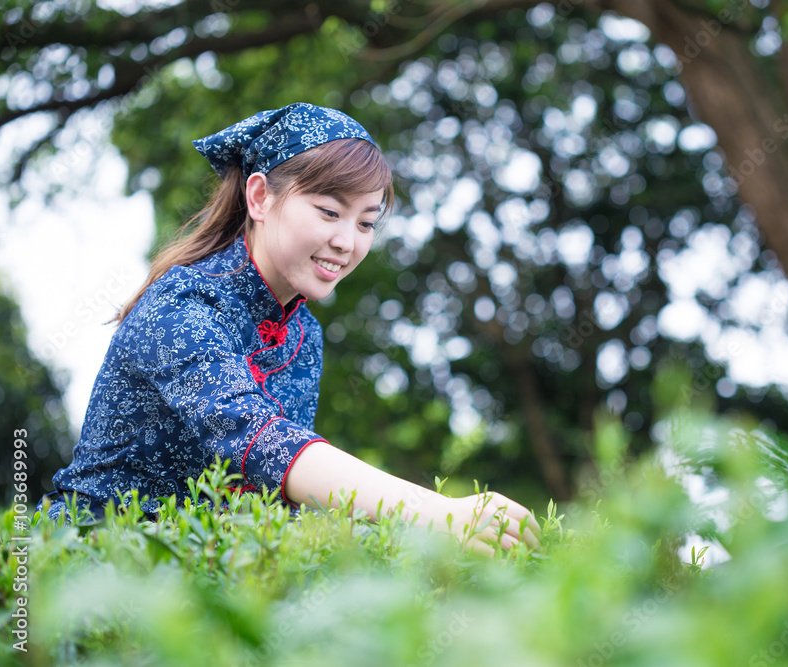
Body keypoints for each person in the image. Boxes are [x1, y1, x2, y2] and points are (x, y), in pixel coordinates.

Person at [36, 102, 540, 556]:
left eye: (366, 223)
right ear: (260, 197)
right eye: (329, 211)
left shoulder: (304, 338)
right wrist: (439, 514)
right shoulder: (181, 304)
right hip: (89, 560)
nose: (347, 241)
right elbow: (264, 443)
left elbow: (278, 503)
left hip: (209, 572)